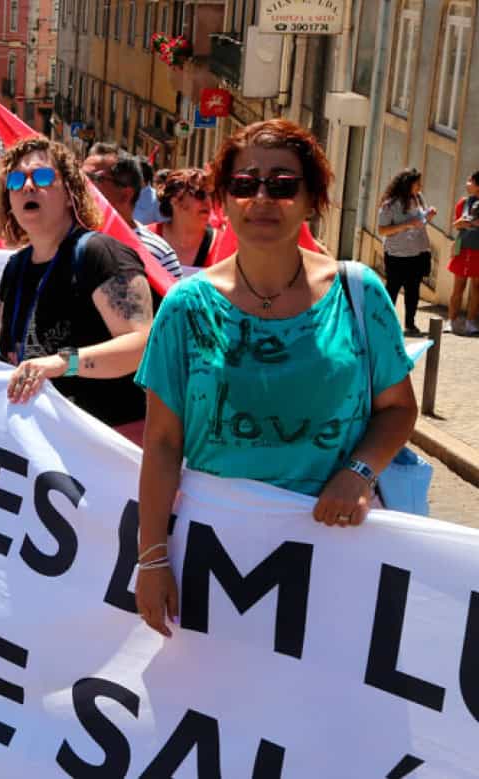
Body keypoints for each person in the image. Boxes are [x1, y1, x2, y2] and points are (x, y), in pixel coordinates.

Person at [134, 119, 419, 638]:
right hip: (218, 549)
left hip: (336, 547)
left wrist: (359, 471)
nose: (262, 197)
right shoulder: (185, 307)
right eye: (244, 184)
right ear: (224, 199)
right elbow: (162, 443)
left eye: (283, 184)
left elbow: (399, 408)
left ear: (312, 199)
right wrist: (151, 560)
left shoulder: (359, 293)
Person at [0, 137, 154, 443]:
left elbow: (142, 345)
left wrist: (61, 363)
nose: (27, 187)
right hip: (41, 445)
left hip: (107, 444)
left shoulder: (100, 254)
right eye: (15, 180)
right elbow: (7, 354)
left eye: (42, 177)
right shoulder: (15, 269)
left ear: (69, 193)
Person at [82, 143, 180, 279]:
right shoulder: (62, 238)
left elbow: (173, 298)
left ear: (125, 195)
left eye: (94, 178)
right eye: (80, 175)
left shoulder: (160, 254)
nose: (83, 183)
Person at [377, 167, 436, 337]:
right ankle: (383, 322)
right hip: (396, 254)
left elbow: (420, 221)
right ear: (407, 184)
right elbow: (382, 230)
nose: (420, 186)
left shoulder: (418, 199)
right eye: (417, 183)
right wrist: (407, 224)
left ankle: (410, 324)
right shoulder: (390, 205)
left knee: (413, 290)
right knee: (393, 289)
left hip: (417, 252)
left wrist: (427, 215)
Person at [149, 168, 217, 272]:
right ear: (175, 201)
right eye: (200, 195)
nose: (208, 202)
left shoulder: (223, 245)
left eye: (211, 195)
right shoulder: (146, 240)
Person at [449, 171, 479, 335]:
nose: (467, 183)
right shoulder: (463, 202)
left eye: (470, 180)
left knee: (477, 287)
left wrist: (474, 222)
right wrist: (460, 223)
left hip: (478, 251)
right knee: (458, 285)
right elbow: (456, 225)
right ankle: (452, 321)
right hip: (463, 248)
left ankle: (471, 322)